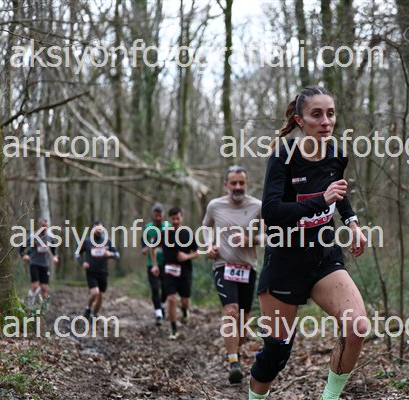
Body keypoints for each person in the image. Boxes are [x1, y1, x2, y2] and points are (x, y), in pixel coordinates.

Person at [248, 86, 368, 400]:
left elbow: (338, 193)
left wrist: (352, 223)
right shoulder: (283, 156)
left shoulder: (337, 153)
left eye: (331, 114)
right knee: (276, 353)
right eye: (317, 115)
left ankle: (329, 398)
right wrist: (319, 201)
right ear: (300, 120)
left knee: (356, 327)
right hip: (285, 263)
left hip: (323, 258)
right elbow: (271, 212)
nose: (326, 121)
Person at [202, 165, 262, 384]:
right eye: (233, 183)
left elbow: (270, 235)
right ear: (225, 185)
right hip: (223, 265)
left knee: (243, 325)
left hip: (247, 267)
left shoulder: (257, 206)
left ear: (247, 184)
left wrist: (250, 240)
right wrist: (209, 245)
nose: (237, 187)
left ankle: (235, 347)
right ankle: (233, 363)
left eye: (241, 183)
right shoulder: (215, 205)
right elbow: (205, 227)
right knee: (231, 312)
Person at [151, 207, 199, 340]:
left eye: (178, 218)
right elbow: (152, 248)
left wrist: (187, 256)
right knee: (171, 298)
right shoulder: (164, 233)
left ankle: (185, 310)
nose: (176, 221)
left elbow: (197, 252)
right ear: (169, 219)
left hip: (185, 272)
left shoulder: (187, 233)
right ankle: (173, 329)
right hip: (168, 271)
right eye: (173, 219)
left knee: (185, 300)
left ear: (182, 218)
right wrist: (155, 265)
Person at [76, 221, 120, 321]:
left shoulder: (107, 241)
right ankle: (88, 308)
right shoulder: (87, 241)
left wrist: (111, 254)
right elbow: (77, 254)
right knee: (95, 292)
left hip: (103, 272)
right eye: (97, 229)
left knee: (101, 296)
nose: (99, 231)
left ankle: (94, 315)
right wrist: (82, 262)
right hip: (91, 272)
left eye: (101, 229)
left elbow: (117, 255)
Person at [19, 217, 59, 309]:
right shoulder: (33, 236)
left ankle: (43, 308)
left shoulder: (50, 236)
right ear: (39, 225)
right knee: (35, 286)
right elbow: (21, 248)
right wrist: (23, 255)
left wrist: (55, 257)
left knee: (45, 288)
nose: (44, 228)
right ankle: (30, 303)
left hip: (45, 265)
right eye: (43, 225)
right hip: (34, 263)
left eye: (46, 226)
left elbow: (53, 249)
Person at [142, 203, 170, 326]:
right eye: (156, 215)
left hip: (166, 262)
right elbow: (143, 239)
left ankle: (162, 305)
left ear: (163, 215)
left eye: (160, 215)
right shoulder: (148, 227)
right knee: (154, 288)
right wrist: (144, 247)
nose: (158, 218)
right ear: (152, 215)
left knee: (166, 288)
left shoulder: (168, 226)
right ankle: (158, 314)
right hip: (152, 263)